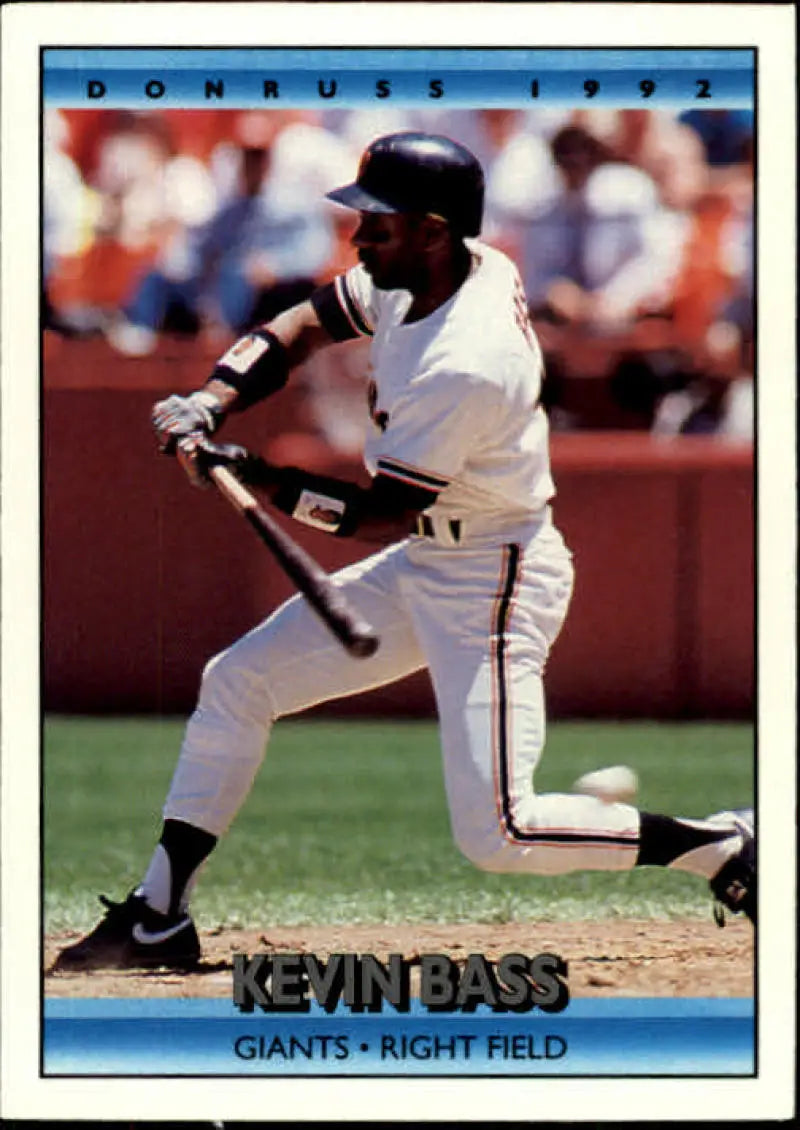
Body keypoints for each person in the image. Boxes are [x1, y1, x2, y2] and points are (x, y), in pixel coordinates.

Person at [53, 132, 755, 972]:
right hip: (430, 558)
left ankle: (723, 845)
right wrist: (212, 400)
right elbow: (304, 323)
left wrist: (257, 474)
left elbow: (380, 511)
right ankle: (159, 913)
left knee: (505, 833)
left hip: (492, 576)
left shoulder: (469, 359)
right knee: (237, 681)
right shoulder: (430, 269)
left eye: (377, 225)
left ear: (430, 230)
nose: (359, 238)